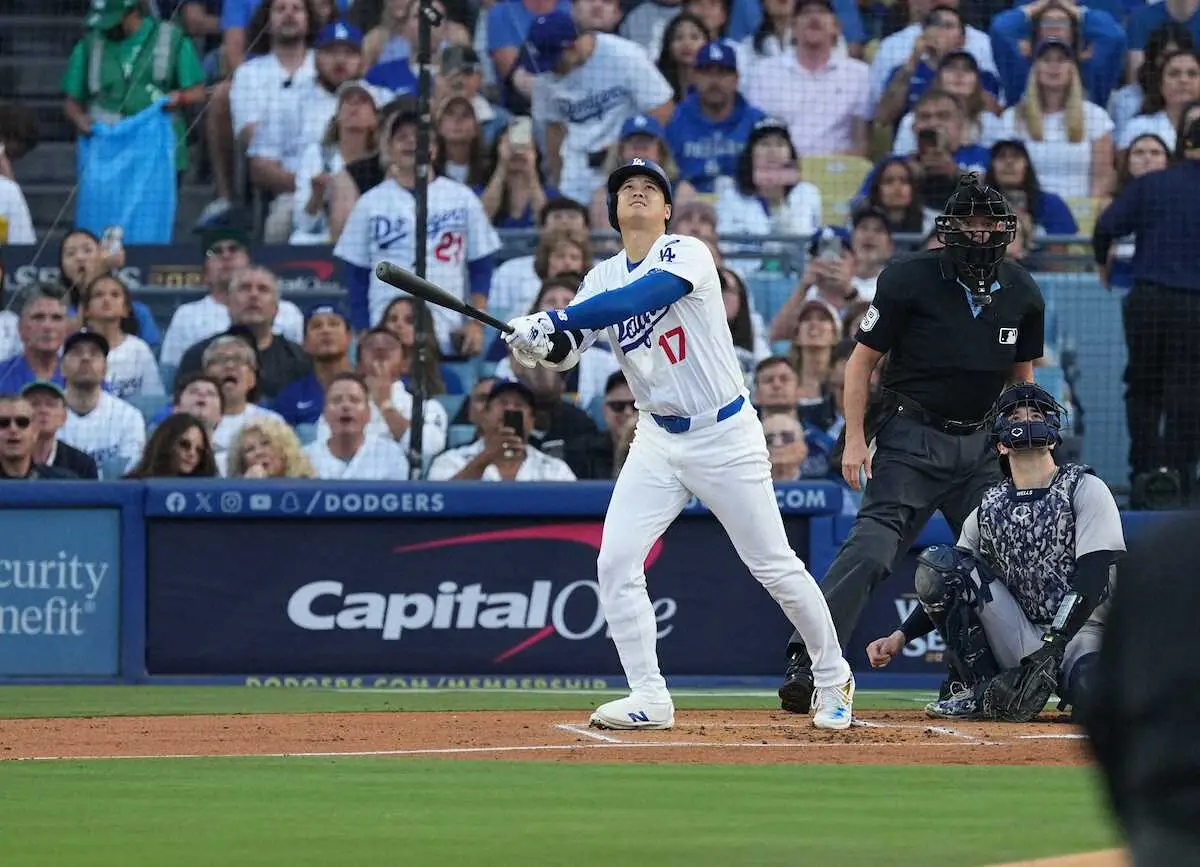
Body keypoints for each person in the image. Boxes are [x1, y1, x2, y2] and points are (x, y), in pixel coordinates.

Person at [503, 158, 855, 731]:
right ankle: (649, 695)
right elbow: (569, 350)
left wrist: (556, 317)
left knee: (773, 565)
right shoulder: (599, 277)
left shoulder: (684, 252)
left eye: (650, 190)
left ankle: (834, 674)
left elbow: (634, 303)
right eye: (627, 190)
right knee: (615, 561)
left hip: (725, 433)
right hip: (656, 437)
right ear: (614, 210)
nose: (638, 195)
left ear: (667, 209)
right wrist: (535, 342)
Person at [775, 173, 1045, 716]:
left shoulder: (1022, 291)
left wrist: (1026, 446)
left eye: (989, 221)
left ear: (1004, 228)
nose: (979, 230)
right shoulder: (908, 278)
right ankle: (810, 659)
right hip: (909, 436)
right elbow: (861, 362)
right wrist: (855, 439)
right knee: (872, 550)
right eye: (968, 220)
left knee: (1004, 555)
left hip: (981, 446)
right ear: (948, 229)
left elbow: (1023, 379)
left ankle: (993, 675)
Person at [866, 383, 1123, 722]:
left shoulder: (1086, 488)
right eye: (1016, 416)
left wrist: (1054, 644)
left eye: (1036, 414)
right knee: (942, 563)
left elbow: (1094, 574)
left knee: (1099, 701)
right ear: (1000, 443)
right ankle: (980, 689)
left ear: (1053, 436)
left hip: (1082, 634)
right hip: (1019, 635)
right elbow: (947, 576)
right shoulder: (989, 506)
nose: (1027, 421)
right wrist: (901, 636)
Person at [1093, 100, 1200, 505]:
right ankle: (1181, 477)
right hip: (1196, 304)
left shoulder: (1152, 184)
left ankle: (1143, 474)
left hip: (1149, 299)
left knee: (1143, 386)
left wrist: (1104, 262)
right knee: (1189, 389)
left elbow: (1106, 227)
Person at [334, 108, 500, 355]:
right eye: (402, 137)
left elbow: (481, 266)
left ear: (434, 148)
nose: (411, 142)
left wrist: (476, 324)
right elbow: (356, 274)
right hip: (386, 323)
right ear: (389, 148)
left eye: (420, 137)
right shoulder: (370, 203)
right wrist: (363, 328)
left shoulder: (461, 198)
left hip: (448, 325)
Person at [426, 379, 576, 481]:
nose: (510, 409)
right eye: (503, 403)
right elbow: (441, 503)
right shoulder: (451, 461)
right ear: (485, 415)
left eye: (519, 405)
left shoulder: (554, 469)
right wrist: (485, 458)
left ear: (531, 421)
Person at [666, 40, 765, 195]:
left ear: (736, 79)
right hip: (687, 209)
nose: (715, 81)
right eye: (707, 72)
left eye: (722, 73)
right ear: (694, 77)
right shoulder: (675, 120)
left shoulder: (757, 122)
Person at [58, 329, 147, 476]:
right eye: (76, 353)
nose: (86, 358)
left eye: (94, 353)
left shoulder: (129, 417)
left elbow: (130, 475)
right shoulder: (45, 416)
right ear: (61, 368)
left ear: (105, 369)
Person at [304, 371, 410, 479]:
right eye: (336, 400)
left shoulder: (390, 455)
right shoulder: (306, 458)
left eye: (354, 400)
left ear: (368, 413)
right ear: (324, 414)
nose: (345, 406)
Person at [22, 380, 99, 479]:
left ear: (64, 417)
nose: (43, 410)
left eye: (51, 404)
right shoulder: (7, 459)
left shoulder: (82, 464)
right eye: (34, 404)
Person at [0, 394, 77, 480]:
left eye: (22, 422)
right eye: (3, 423)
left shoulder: (64, 482)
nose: (13, 429)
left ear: (35, 432)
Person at [125, 412, 220, 478]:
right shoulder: (132, 486)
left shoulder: (209, 492)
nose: (192, 453)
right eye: (184, 445)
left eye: (199, 451)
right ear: (166, 442)